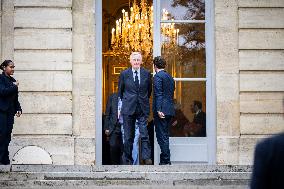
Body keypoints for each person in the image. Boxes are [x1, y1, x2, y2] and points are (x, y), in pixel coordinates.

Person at [118, 52, 152, 165]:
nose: (136, 62)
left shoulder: (147, 73)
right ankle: (128, 159)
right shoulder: (124, 74)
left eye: (138, 60)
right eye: (134, 60)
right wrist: (128, 101)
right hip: (128, 108)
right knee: (128, 137)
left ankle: (146, 157)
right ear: (130, 61)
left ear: (141, 61)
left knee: (144, 134)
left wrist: (142, 100)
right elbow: (121, 92)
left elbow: (149, 91)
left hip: (142, 108)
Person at [152, 56, 175, 165]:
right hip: (170, 109)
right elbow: (171, 93)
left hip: (162, 111)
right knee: (165, 135)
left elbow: (158, 94)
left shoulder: (157, 77)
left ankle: (166, 161)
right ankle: (164, 160)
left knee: (162, 137)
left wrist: (158, 109)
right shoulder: (170, 77)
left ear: (155, 66)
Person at [0, 60, 22, 165]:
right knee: (2, 134)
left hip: (10, 111)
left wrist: (18, 108)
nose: (12, 69)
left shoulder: (12, 80)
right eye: (10, 67)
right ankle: (1, 158)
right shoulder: (1, 79)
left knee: (7, 135)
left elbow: (15, 98)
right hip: (2, 111)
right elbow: (3, 92)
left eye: (13, 67)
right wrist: (14, 86)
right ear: (4, 68)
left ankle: (4, 159)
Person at [104, 93, 123, 165]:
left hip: (125, 126)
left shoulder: (129, 96)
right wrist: (106, 127)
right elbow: (107, 113)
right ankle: (114, 166)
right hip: (113, 126)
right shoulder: (112, 97)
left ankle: (123, 167)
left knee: (124, 148)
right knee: (113, 147)